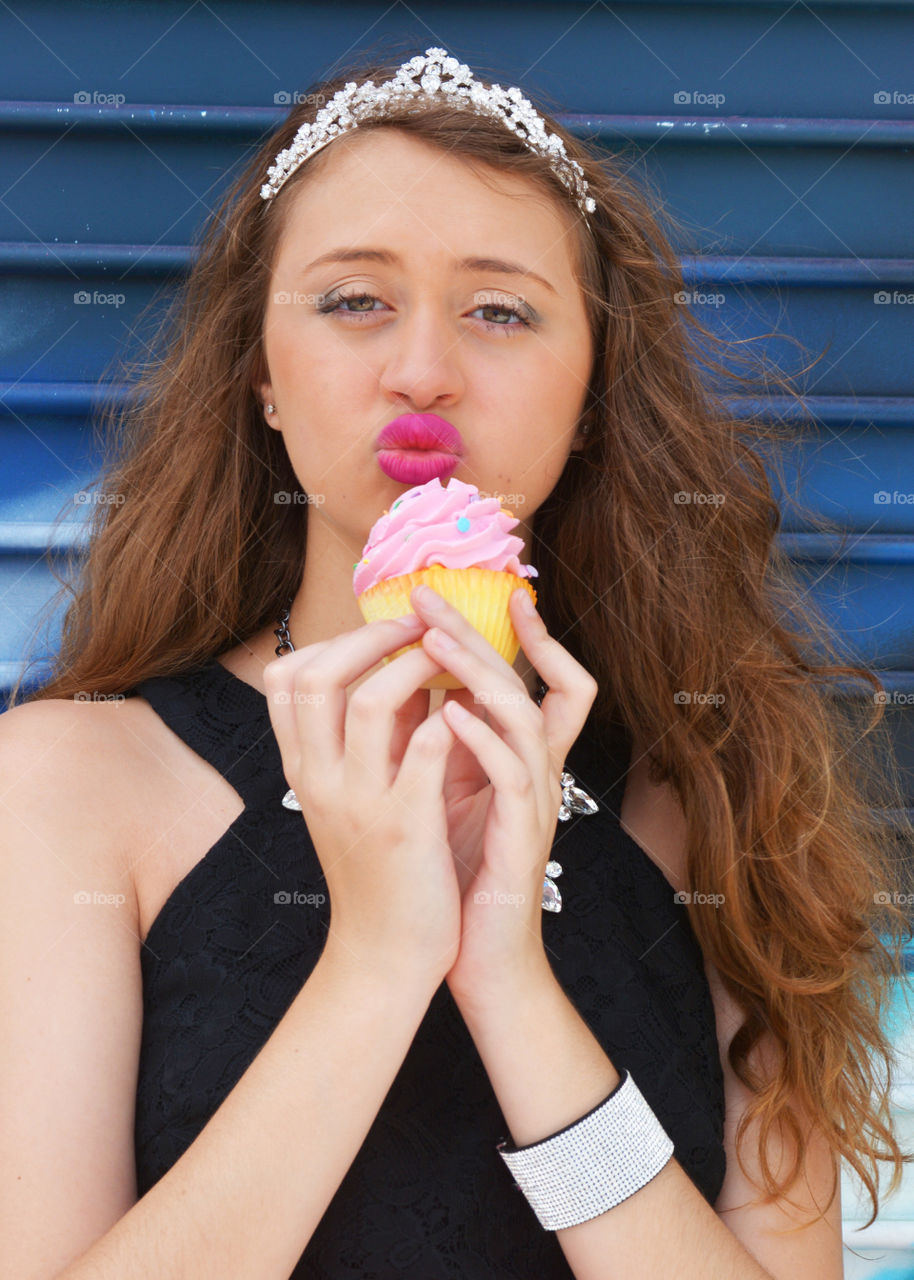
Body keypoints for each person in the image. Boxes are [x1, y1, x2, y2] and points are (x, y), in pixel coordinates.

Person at [1, 44, 911, 1280]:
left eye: (499, 310)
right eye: (352, 299)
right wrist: (375, 962)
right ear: (262, 377)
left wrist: (511, 985)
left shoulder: (710, 788)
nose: (422, 370)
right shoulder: (65, 785)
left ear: (590, 391)